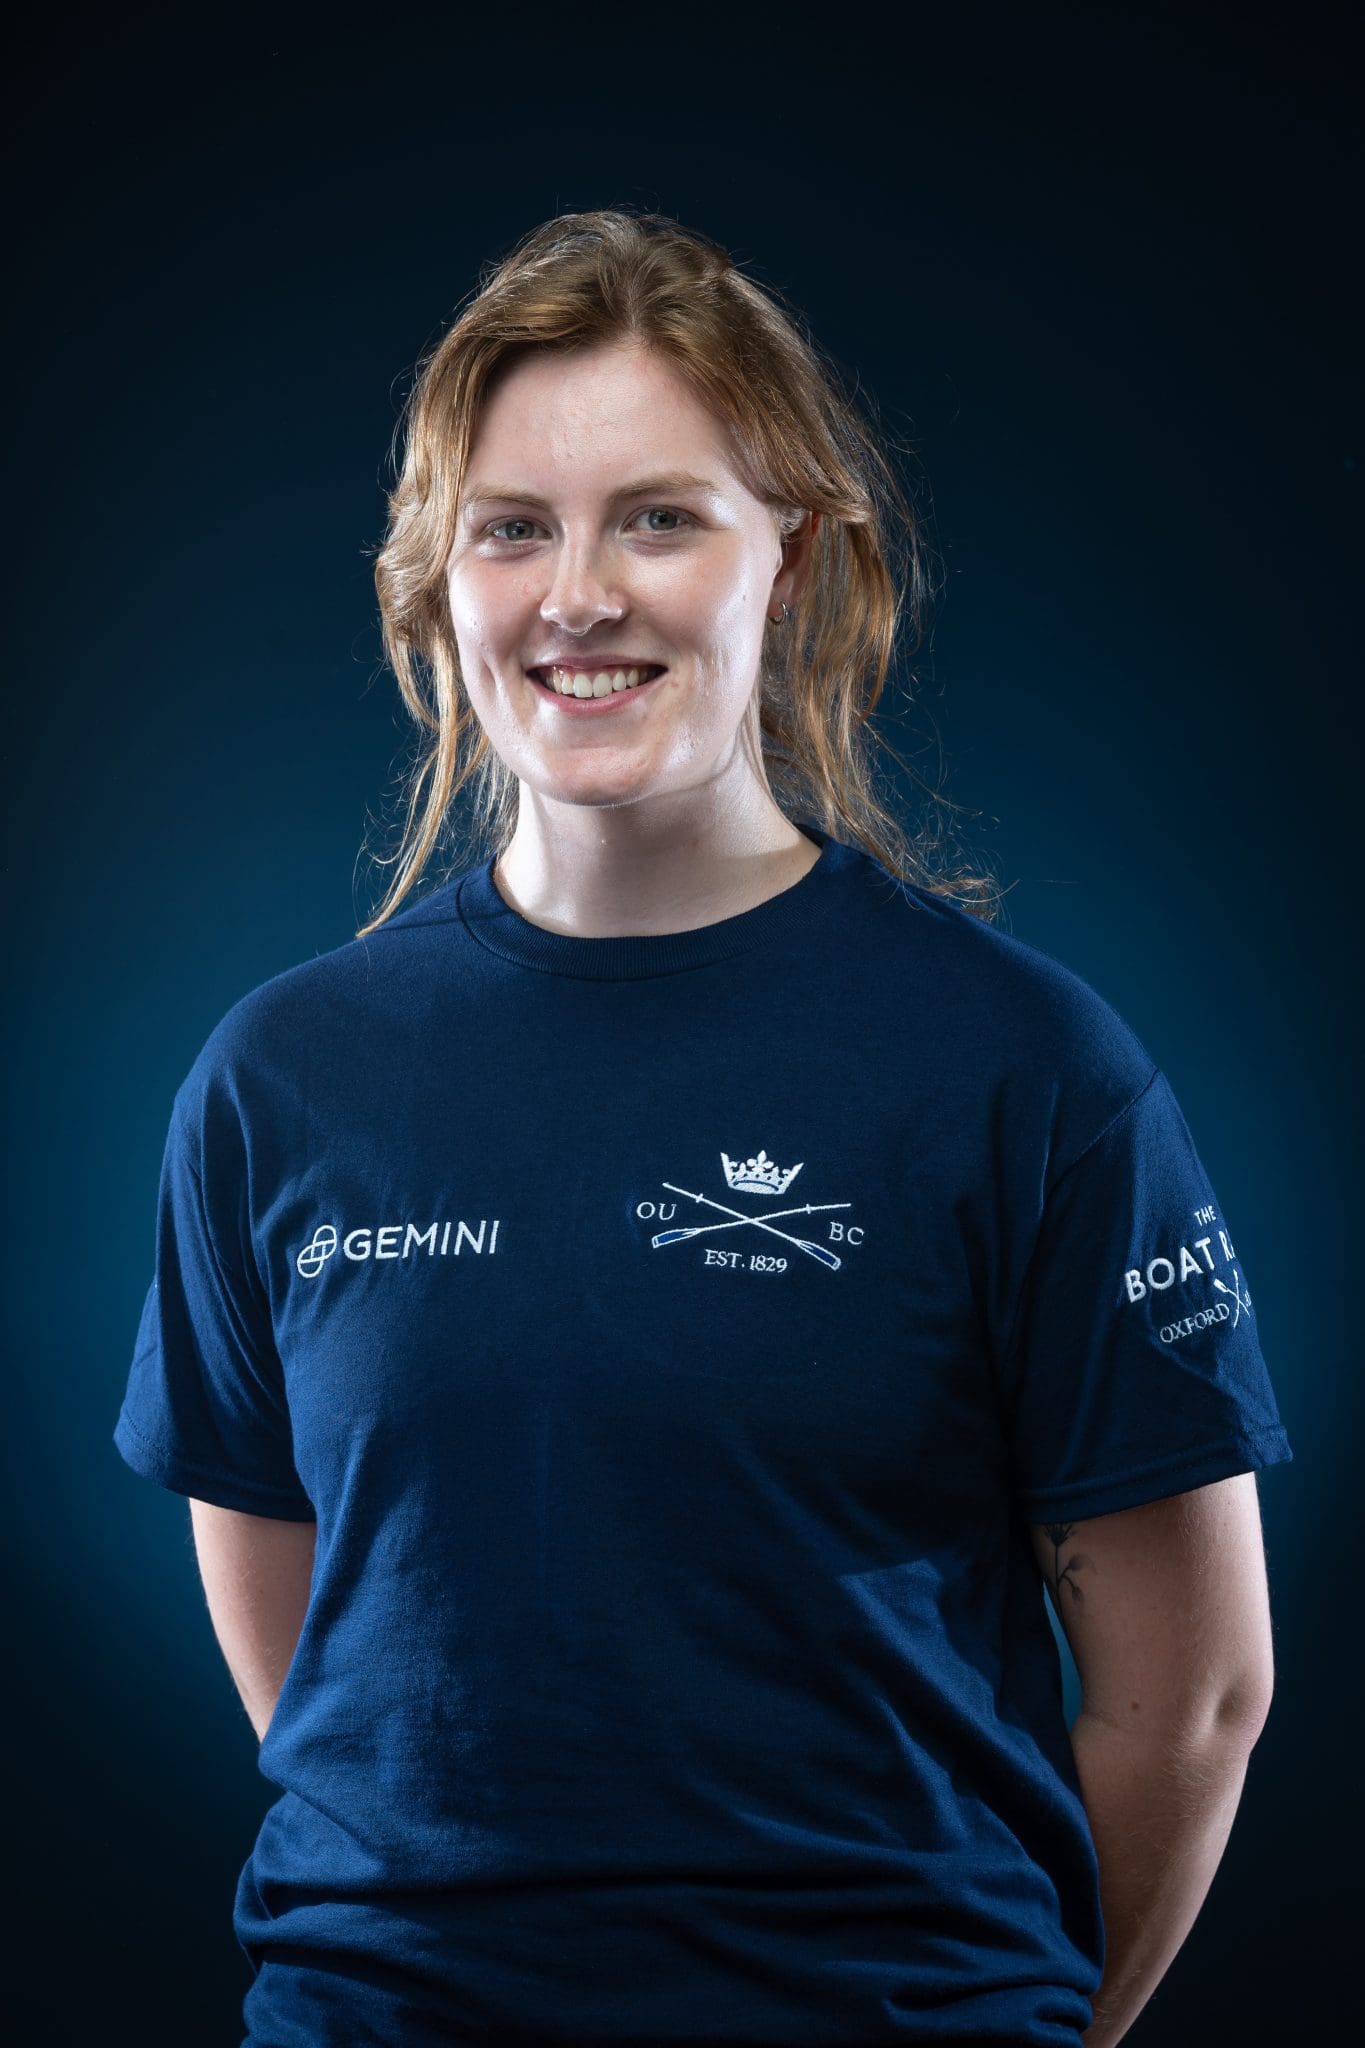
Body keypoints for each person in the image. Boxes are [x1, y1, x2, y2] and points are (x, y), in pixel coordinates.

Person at [113, 208, 1293, 2048]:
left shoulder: (1024, 1069)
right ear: (441, 580)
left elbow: (1194, 1697)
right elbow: (321, 1660)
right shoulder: (280, 1079)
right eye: (512, 528)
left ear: (791, 559)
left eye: (658, 518)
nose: (578, 595)